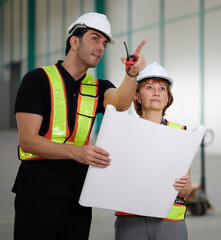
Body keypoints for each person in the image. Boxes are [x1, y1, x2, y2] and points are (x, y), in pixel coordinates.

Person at [12, 12, 147, 240]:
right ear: (74, 41)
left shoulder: (98, 86)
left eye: (104, 43)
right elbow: (28, 140)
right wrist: (77, 152)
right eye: (95, 38)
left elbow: (121, 103)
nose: (101, 47)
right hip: (37, 191)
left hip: (79, 194)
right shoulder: (37, 80)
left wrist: (131, 74)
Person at [114, 63, 191, 240]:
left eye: (162, 88)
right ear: (137, 97)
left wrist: (183, 185)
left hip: (169, 219)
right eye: (149, 87)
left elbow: (185, 192)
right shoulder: (122, 131)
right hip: (130, 217)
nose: (156, 92)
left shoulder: (180, 133)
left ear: (167, 98)